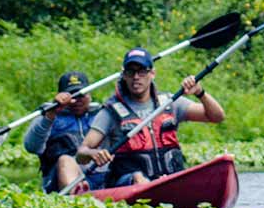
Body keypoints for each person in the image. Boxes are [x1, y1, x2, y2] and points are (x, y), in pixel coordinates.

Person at [76, 47, 225, 188]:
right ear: (124, 75)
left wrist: (200, 92)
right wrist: (93, 153)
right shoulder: (111, 112)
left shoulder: (170, 103)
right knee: (138, 177)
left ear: (152, 73)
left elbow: (217, 116)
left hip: (170, 179)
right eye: (130, 72)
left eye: (142, 72)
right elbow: (81, 154)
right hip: (129, 183)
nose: (136, 77)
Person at [22, 70, 104, 195]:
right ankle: (76, 196)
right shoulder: (50, 115)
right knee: (66, 161)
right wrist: (50, 115)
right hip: (59, 178)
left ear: (89, 94)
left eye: (81, 95)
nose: (77, 100)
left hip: (99, 175)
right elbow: (31, 147)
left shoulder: (102, 114)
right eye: (71, 96)